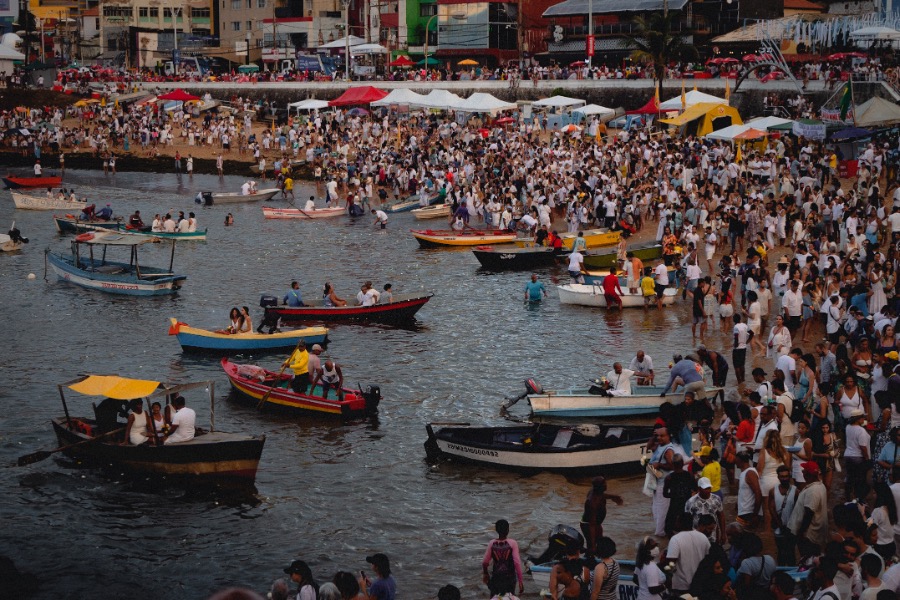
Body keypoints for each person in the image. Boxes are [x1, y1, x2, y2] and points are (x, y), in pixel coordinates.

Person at [787, 461, 830, 558]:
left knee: (808, 560)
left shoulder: (813, 491)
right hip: (814, 534)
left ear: (808, 474)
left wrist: (801, 532)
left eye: (804, 471)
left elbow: (809, 513)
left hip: (809, 535)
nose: (802, 472)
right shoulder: (820, 486)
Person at [664, 512, 711, 597]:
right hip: (700, 583)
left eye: (677, 521)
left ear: (679, 523)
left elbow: (671, 563)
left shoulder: (675, 539)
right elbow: (709, 558)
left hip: (681, 586)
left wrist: (667, 579)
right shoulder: (703, 537)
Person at [579, 476, 623, 556]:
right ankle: (589, 560)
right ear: (599, 487)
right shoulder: (592, 502)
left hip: (596, 523)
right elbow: (591, 525)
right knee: (591, 546)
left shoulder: (597, 492)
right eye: (604, 484)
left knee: (599, 542)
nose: (606, 485)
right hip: (588, 525)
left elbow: (601, 495)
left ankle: (597, 557)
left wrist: (613, 497)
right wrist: (592, 544)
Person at [481, 519, 524, 597]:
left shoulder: (492, 543)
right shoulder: (513, 543)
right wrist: (520, 581)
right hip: (509, 579)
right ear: (508, 530)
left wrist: (485, 573)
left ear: (496, 530)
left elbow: (485, 562)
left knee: (495, 597)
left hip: (496, 578)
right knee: (509, 597)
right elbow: (517, 562)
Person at [768, 465, 798, 566]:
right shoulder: (772, 491)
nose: (784, 478)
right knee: (781, 553)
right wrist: (780, 525)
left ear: (790, 476)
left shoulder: (796, 491)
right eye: (782, 476)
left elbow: (798, 511)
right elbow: (771, 509)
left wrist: (791, 527)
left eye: (786, 476)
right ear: (778, 477)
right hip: (779, 529)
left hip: (792, 530)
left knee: (791, 554)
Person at [685, 476, 725, 542]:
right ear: (699, 489)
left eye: (709, 488)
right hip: (697, 537)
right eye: (705, 488)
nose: (707, 491)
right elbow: (687, 521)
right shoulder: (690, 502)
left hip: (713, 536)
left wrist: (723, 534)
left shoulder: (716, 499)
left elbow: (721, 516)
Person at [735, 451, 763, 529]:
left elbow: (758, 493)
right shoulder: (744, 473)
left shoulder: (750, 473)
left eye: (736, 460)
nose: (735, 462)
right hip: (744, 511)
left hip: (749, 513)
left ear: (741, 461)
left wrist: (755, 514)